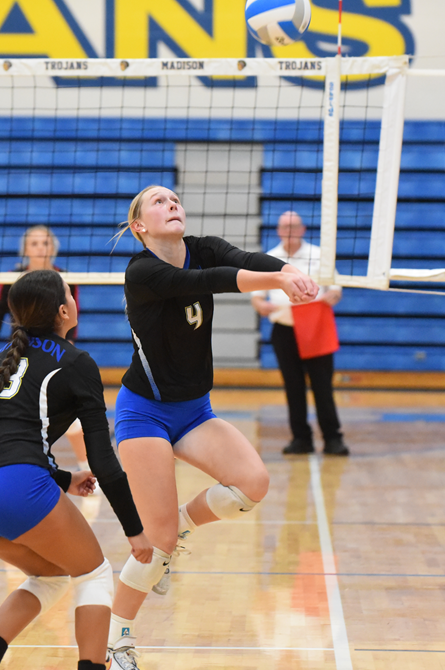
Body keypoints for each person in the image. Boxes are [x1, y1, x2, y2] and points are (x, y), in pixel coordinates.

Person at [106, 186, 320, 670]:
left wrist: (287, 270)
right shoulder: (142, 271)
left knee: (253, 484)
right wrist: (277, 283)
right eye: (158, 202)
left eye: (174, 199)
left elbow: (241, 257)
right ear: (139, 226)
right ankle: (118, 637)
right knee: (154, 540)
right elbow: (218, 278)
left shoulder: (202, 244)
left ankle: (180, 525)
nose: (171, 204)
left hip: (194, 410)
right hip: (144, 413)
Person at [0, 269, 152, 670]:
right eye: (70, 295)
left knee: (53, 575)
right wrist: (135, 530)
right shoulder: (77, 362)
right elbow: (103, 461)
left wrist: (63, 479)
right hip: (14, 484)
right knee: (93, 573)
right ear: (63, 309)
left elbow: (1, 436)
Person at [0, 225, 90, 472]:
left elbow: (73, 314)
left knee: (69, 412)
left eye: (45, 243)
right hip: (20, 352)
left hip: (53, 351)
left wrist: (69, 345)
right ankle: (11, 465)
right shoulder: (15, 277)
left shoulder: (63, 278)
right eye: (35, 243)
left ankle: (86, 467)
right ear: (25, 249)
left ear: (52, 248)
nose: (41, 248)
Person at [251, 211, 349, 456]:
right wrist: (262, 306)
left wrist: (331, 296)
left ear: (303, 229)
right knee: (293, 387)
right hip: (284, 330)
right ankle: (301, 439)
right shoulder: (269, 258)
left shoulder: (318, 256)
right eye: (285, 226)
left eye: (294, 226)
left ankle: (333, 439)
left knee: (322, 386)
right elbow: (257, 299)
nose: (290, 231)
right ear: (278, 230)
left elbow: (336, 291)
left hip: (315, 328)